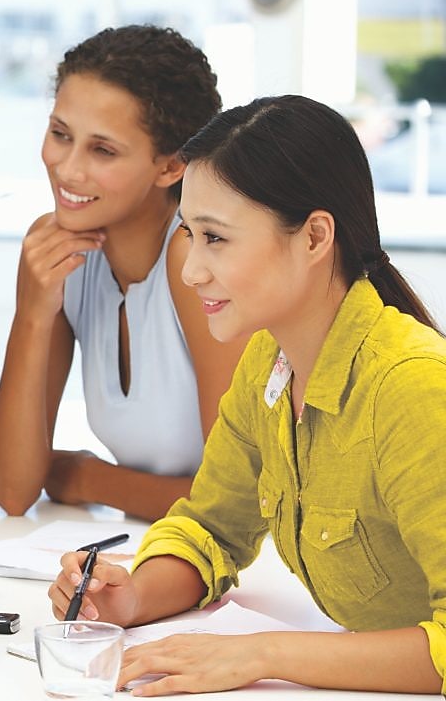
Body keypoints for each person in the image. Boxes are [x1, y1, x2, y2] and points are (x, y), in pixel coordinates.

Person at [48, 95, 446, 696]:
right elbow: (209, 527)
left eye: (215, 238)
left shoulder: (413, 387)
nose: (190, 270)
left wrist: (262, 654)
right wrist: (128, 597)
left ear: (315, 236)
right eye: (188, 234)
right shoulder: (270, 360)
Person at [0, 26, 245, 521]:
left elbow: (235, 500)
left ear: (171, 167)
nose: (68, 170)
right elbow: (14, 490)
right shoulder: (59, 251)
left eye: (102, 150)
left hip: (258, 567)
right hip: (157, 551)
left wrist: (88, 478)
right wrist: (32, 314)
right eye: (60, 134)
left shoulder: (195, 260)